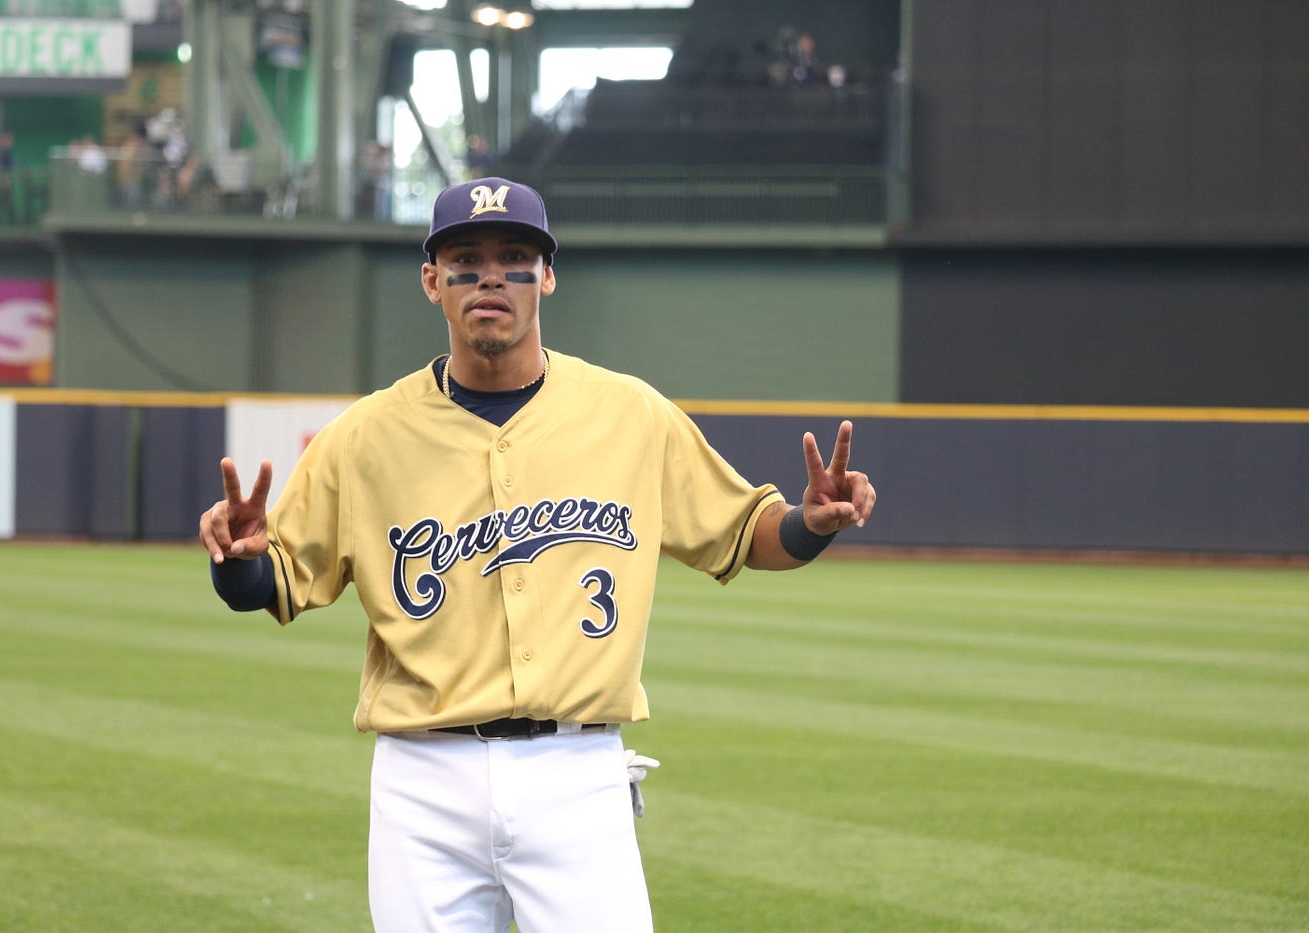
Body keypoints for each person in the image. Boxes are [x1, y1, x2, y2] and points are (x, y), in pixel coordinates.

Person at [198, 176, 877, 932]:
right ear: (432, 281)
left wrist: (812, 523)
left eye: (515, 255)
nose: (491, 275)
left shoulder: (630, 414)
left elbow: (745, 532)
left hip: (576, 774)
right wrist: (238, 561)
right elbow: (278, 581)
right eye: (466, 257)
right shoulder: (364, 437)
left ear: (547, 276)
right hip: (423, 779)